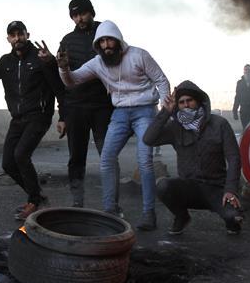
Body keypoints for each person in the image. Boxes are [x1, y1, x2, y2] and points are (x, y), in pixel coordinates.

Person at [53, 20, 170, 231]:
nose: (107, 45)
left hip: (145, 110)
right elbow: (72, 81)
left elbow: (161, 80)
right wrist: (63, 68)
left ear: (118, 40)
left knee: (144, 161)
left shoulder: (139, 55)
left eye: (110, 40)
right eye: (102, 42)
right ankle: (110, 210)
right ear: (98, 45)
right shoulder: (98, 62)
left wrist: (164, 106)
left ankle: (148, 212)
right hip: (120, 113)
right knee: (106, 158)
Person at [0, 21, 64, 220]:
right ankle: (36, 196)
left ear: (27, 34)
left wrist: (63, 116)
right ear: (8, 39)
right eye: (13, 35)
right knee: (8, 164)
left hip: (39, 116)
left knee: (21, 155)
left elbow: (58, 87)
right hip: (18, 119)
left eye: (20, 34)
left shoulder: (39, 59)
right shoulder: (5, 62)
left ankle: (34, 201)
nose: (17, 38)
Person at [143, 81, 244, 235]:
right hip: (190, 187)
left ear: (198, 101)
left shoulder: (219, 124)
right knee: (163, 186)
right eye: (182, 102)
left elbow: (234, 158)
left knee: (234, 218)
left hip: (216, 188)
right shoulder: (175, 127)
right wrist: (165, 112)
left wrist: (230, 190)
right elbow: (148, 139)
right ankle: (182, 217)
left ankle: (231, 218)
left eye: (189, 100)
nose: (186, 105)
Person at [57, 0, 114, 208]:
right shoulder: (67, 40)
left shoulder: (105, 33)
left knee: (108, 156)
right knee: (76, 158)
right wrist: (62, 115)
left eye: (83, 13)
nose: (79, 18)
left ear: (92, 12)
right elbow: (62, 79)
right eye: (75, 15)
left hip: (103, 107)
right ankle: (77, 202)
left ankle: (112, 204)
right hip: (75, 108)